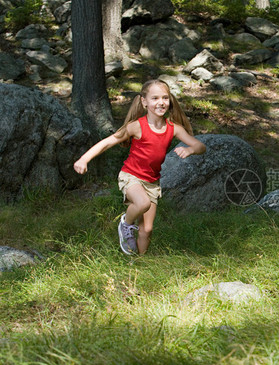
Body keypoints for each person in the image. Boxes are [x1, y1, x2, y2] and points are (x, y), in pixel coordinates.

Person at [74, 79, 206, 255]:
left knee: (147, 229)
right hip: (131, 176)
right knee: (142, 203)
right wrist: (84, 159)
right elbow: (107, 142)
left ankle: (139, 262)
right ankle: (126, 224)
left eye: (165, 98)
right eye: (155, 98)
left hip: (152, 182)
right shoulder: (137, 126)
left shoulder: (173, 128)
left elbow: (200, 146)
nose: (161, 102)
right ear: (144, 102)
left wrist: (190, 150)